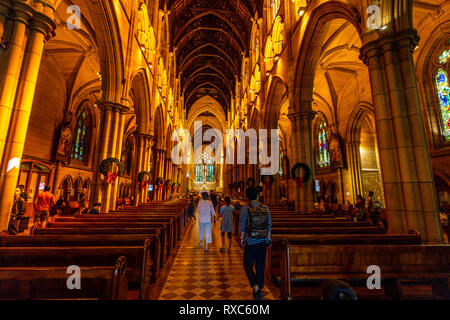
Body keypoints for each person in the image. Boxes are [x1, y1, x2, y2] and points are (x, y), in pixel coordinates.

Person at [240, 187, 272, 300]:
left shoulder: (245, 208)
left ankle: (256, 287)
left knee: (247, 265)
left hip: (250, 241)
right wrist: (268, 238)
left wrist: (241, 239)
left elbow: (243, 225)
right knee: (260, 265)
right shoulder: (265, 207)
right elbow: (269, 224)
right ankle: (259, 287)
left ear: (248, 197)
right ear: (258, 196)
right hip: (263, 241)